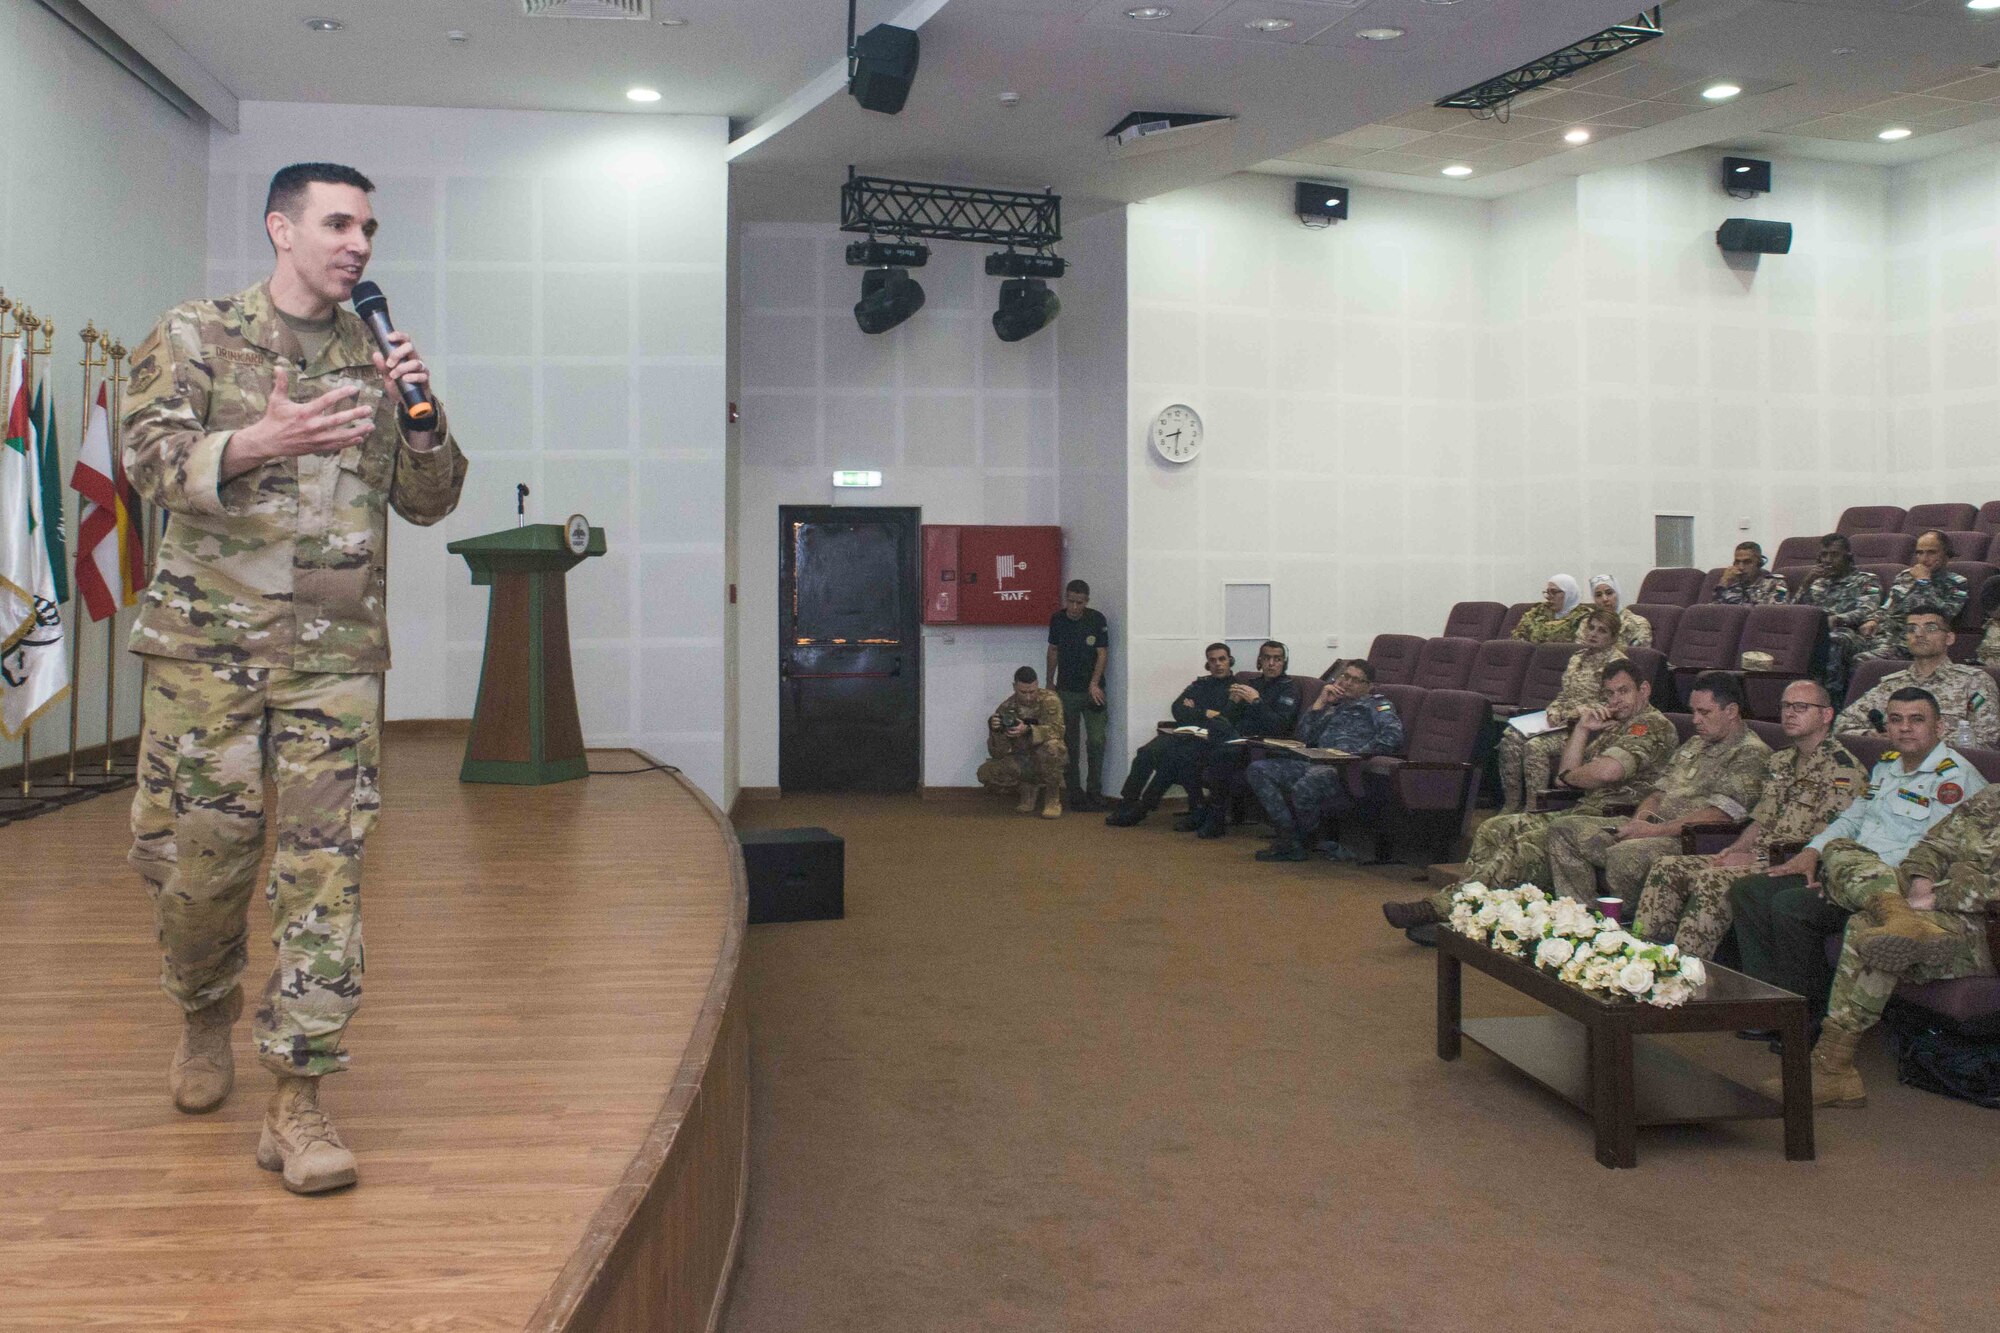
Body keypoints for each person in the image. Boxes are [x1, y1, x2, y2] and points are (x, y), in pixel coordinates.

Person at [123, 162, 468, 1195]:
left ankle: (298, 1100)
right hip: (205, 655)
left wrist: (418, 413)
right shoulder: (196, 333)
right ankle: (201, 1010)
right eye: (337, 223)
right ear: (281, 228)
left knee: (326, 877)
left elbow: (433, 500)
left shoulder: (378, 355)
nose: (358, 243)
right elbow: (146, 458)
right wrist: (253, 441)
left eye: (367, 227)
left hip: (333, 659)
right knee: (203, 871)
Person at [1729, 687, 1984, 1041]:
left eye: (1917, 720)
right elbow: (1852, 818)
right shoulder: (1888, 765)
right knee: (1749, 891)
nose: (1905, 728)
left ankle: (1806, 1019)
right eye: (1896, 720)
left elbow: (1932, 851)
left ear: (1939, 727)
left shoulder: (1952, 779)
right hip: (1850, 866)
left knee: (1792, 906)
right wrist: (1814, 851)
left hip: (1890, 882)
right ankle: (1770, 1003)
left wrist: (1847, 875)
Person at [1382, 660, 1677, 938]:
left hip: (1612, 818)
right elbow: (1565, 772)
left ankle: (1438, 908)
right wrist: (1583, 730)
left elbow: (1607, 772)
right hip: (1580, 811)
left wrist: (1573, 776)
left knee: (1524, 848)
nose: (1615, 700)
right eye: (1610, 694)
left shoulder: (1652, 725)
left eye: (1623, 691)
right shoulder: (1612, 726)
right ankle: (1468, 918)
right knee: (1492, 830)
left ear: (1644, 690)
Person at [1759, 777, 2000, 1108]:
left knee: (1864, 925)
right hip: (1920, 900)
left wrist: (1935, 897)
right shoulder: (1992, 795)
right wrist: (1920, 884)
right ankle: (1895, 913)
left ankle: (1833, 1069)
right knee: (1838, 849)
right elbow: (1934, 846)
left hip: (1984, 929)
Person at [1632, 680, 1865, 958]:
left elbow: (1827, 842)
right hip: (1759, 855)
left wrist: (1756, 860)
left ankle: (1686, 972)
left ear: (1826, 715)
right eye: (1786, 706)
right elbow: (1760, 819)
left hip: (1793, 865)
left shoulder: (1843, 770)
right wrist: (1737, 849)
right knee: (1666, 867)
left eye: (1801, 707)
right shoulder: (1781, 761)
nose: (1790, 714)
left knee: (1712, 879)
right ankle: (1644, 958)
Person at [1545, 671, 1770, 912]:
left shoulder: (1750, 753)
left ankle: (1623, 929)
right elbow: (1656, 793)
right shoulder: (1695, 743)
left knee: (1624, 855)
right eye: (1693, 711)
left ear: (1732, 711)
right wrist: (1640, 821)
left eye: (1704, 712)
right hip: (1651, 827)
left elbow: (1720, 815)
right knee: (1564, 830)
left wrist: (1654, 830)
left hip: (1688, 841)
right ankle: (1581, 917)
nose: (1695, 720)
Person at [1243, 660, 1404, 862]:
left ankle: (1303, 840)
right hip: (1313, 762)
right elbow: (1303, 736)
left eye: (1355, 680)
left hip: (1344, 770)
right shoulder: (1335, 705)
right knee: (1258, 769)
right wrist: (1320, 702)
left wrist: (1354, 756)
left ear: (1369, 686)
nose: (1347, 683)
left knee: (1308, 783)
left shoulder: (1378, 706)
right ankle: (1290, 838)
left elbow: (1392, 737)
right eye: (1345, 677)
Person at [1495, 607, 1625, 814]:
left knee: (1535, 746)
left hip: (1589, 730)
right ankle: (1511, 804)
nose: (1593, 634)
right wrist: (1553, 710)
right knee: (1510, 736)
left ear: (1613, 637)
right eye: (1591, 628)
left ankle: (1535, 808)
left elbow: (1612, 705)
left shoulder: (1618, 664)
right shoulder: (1578, 658)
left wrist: (1572, 714)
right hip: (1561, 723)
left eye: (1602, 631)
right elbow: (1564, 695)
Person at [1104, 643, 1242, 827]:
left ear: (1230, 661)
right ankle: (1128, 802)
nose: (1218, 664)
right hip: (1184, 733)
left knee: (1172, 759)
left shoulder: (1236, 689)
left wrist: (1195, 711)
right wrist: (1205, 713)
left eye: (1222, 659)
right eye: (1213, 660)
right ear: (1208, 664)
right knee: (1145, 752)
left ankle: (1143, 808)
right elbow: (1177, 708)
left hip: (1209, 739)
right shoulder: (1201, 684)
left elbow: (1224, 719)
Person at [1184, 641, 1302, 838]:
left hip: (1263, 744)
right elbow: (1228, 718)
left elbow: (1279, 727)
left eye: (1277, 659)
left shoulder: (1289, 689)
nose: (1271, 663)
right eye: (1267, 658)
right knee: (1190, 750)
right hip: (1237, 737)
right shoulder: (1252, 684)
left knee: (1222, 753)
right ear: (1260, 661)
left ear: (1284, 662)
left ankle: (1216, 817)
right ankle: (1200, 810)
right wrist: (1233, 702)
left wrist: (1256, 702)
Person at [1835, 608, 1998, 747]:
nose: (1919, 634)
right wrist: (1872, 735)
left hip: (1950, 772)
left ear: (1949, 638)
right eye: (1912, 629)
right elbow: (1841, 726)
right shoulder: (1891, 685)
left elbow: (1987, 740)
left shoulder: (1974, 682)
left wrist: (1921, 742)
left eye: (1931, 628)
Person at [1792, 533, 1883, 701]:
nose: (1827, 560)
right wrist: (1806, 583)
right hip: (1818, 634)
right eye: (1824, 555)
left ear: (1848, 556)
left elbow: (1867, 609)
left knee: (1835, 638)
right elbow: (1796, 611)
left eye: (1834, 555)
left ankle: (1831, 699)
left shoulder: (1866, 580)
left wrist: (1836, 619)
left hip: (1853, 635)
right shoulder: (1817, 583)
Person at [1046, 579, 1109, 811]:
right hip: (1066, 690)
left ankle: (1095, 790)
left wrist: (1094, 683)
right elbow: (1053, 650)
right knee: (1068, 744)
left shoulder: (1097, 619)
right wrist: (1049, 682)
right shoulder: (1057, 620)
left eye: (1079, 602)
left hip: (1093, 691)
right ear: (1066, 598)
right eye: (1070, 601)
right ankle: (1075, 792)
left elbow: (1102, 654)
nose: (1074, 607)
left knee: (1096, 740)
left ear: (1086, 601)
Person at [1858, 530, 1968, 661]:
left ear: (1947, 554)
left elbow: (1945, 615)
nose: (1924, 558)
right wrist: (1874, 620)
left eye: (1931, 552)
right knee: (1836, 644)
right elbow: (1889, 605)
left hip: (1908, 643)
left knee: (1862, 660)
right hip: (1880, 637)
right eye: (1919, 553)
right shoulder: (1905, 576)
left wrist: (1924, 581)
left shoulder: (1957, 583)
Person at [975, 666, 1067, 819]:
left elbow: (1058, 731)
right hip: (1023, 759)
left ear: (1037, 684)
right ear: (1014, 687)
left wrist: (1029, 730)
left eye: (1032, 691)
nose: (1028, 697)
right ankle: (1028, 788)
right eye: (1023, 692)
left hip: (1047, 757)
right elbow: (998, 753)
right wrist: (995, 730)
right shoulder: (1006, 708)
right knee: (986, 772)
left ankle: (1053, 799)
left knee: (1053, 747)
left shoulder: (1050, 700)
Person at [1510, 575, 1585, 643]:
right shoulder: (1538, 610)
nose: (1549, 597)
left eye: (1554, 592)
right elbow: (1517, 638)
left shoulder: (1583, 615)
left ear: (1570, 593)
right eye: (1548, 592)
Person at [1711, 541, 1789, 605]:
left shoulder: (1778, 584)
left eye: (1747, 562)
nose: (1741, 567)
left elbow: (1777, 612)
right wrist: (1723, 582)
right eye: (1737, 562)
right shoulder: (1732, 587)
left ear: (1759, 563)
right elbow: (1715, 613)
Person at [1588, 573, 1651, 647]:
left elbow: (1638, 656)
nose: (1604, 599)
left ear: (1617, 593)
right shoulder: (1588, 622)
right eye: (1598, 595)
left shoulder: (1636, 623)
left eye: (1609, 593)